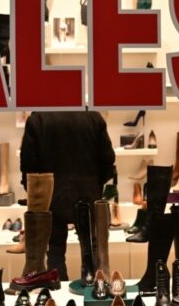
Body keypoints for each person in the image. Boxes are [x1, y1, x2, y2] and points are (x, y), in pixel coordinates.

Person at [20, 111, 115, 280]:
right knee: (92, 251)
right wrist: (96, 183)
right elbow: (107, 159)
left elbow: (28, 163)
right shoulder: (93, 118)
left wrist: (37, 192)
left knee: (54, 251)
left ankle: (57, 289)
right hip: (88, 190)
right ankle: (94, 288)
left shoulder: (38, 118)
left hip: (51, 193)